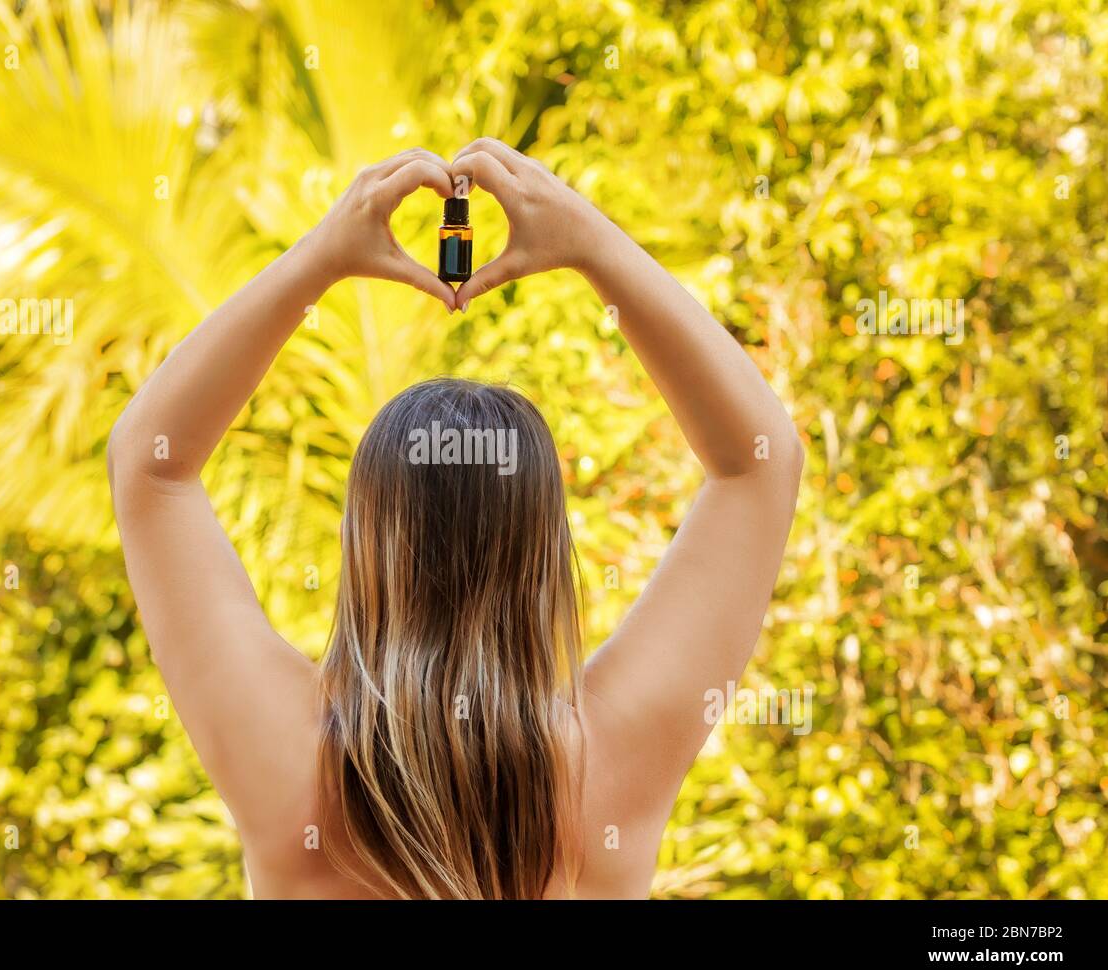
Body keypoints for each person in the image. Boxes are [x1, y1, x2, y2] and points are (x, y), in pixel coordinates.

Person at [107, 138, 803, 899]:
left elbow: (149, 461)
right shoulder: (607, 771)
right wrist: (590, 243)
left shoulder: (293, 766)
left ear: (369, 543)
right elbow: (760, 464)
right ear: (542, 553)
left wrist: (323, 257)